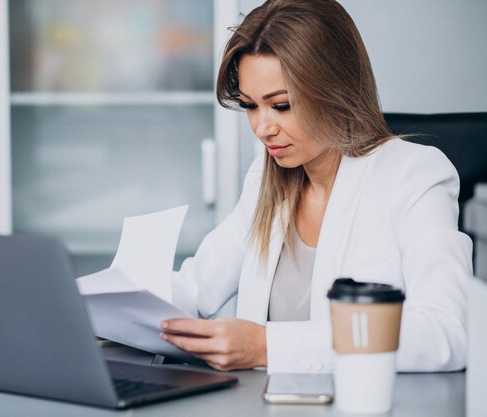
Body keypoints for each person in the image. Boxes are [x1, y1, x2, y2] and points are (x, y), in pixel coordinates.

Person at [159, 0, 473, 373]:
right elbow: (195, 287)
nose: (263, 128)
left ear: (335, 89)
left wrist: (266, 346)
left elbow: (447, 332)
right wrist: (102, 311)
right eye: (250, 106)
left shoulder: (414, 175)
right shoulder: (267, 178)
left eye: (282, 105)